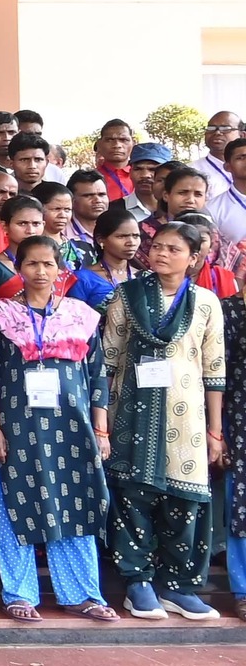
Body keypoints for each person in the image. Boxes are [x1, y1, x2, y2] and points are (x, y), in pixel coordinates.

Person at [0, 237, 116, 622]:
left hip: (73, 428)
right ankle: (19, 593)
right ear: (18, 269)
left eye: (48, 264)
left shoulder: (81, 315)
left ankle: (81, 593)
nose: (40, 272)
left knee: (76, 505)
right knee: (14, 507)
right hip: (17, 428)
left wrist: (101, 430)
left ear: (61, 270)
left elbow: (98, 376)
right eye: (32, 264)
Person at [102, 220, 226, 621]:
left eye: (173, 249)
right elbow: (108, 360)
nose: (160, 253)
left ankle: (179, 585)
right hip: (131, 414)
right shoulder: (126, 295)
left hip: (187, 418)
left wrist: (215, 431)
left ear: (193, 259)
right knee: (132, 496)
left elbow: (214, 370)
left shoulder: (207, 302)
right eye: (157, 246)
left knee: (184, 497)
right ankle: (136, 582)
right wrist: (102, 420)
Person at [70, 203, 144, 310]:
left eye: (136, 236)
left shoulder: (144, 277)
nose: (131, 242)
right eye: (121, 236)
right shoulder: (83, 279)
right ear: (101, 239)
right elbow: (74, 320)